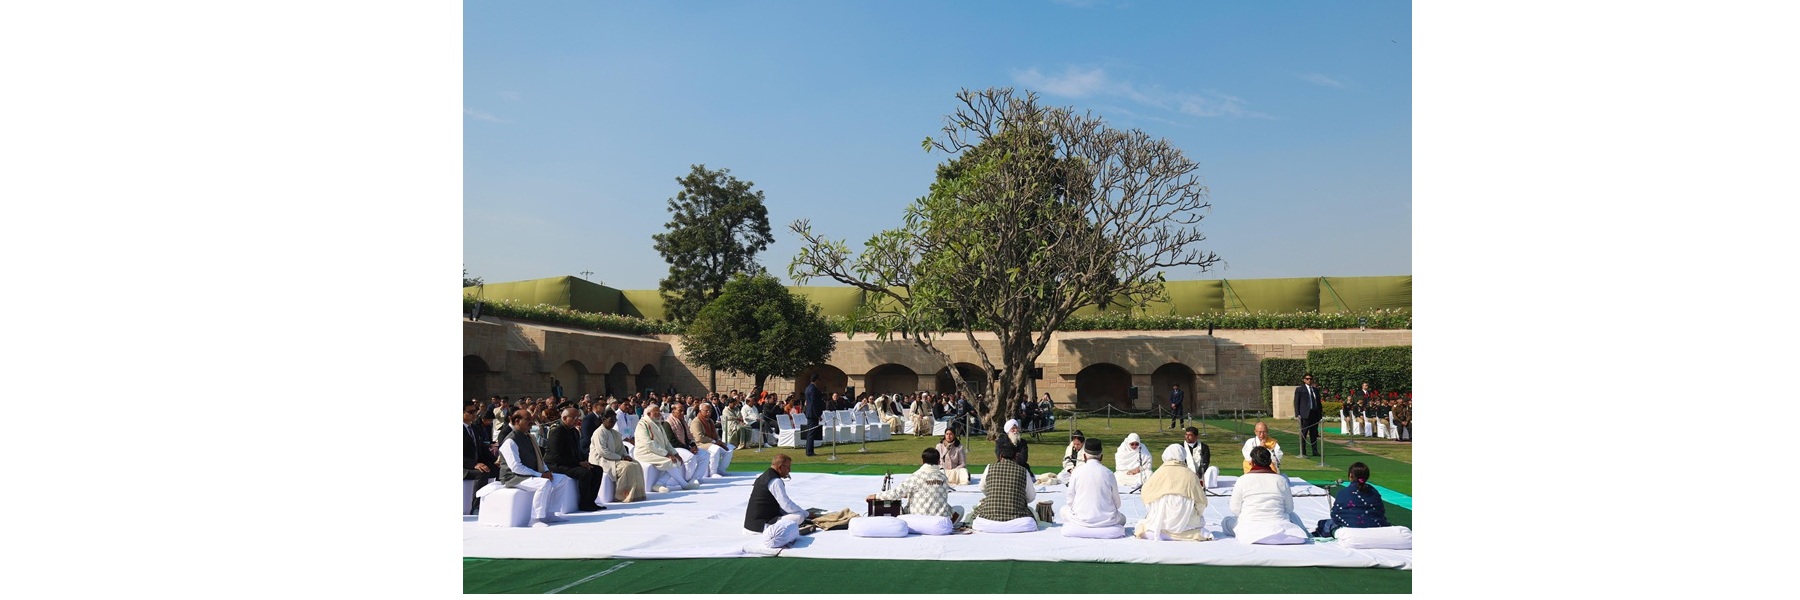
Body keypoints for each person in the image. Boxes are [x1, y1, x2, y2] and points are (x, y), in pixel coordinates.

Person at [496, 410, 575, 527]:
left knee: (562, 479)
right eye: (528, 419)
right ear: (517, 421)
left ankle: (551, 514)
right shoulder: (510, 441)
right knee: (543, 484)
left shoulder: (528, 437)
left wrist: (546, 471)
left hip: (530, 474)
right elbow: (516, 467)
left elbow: (539, 459)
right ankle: (535, 519)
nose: (532, 422)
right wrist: (540, 475)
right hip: (513, 477)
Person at [1222, 446, 1308, 544]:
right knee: (1292, 517)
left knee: (1226, 522)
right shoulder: (1280, 480)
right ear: (1269, 462)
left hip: (1250, 528)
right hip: (1279, 525)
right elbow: (1289, 508)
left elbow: (1235, 509)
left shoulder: (1242, 480)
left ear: (1252, 463)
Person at [1137, 444, 1213, 541]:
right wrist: (1197, 514)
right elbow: (1201, 503)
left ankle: (1163, 533)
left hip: (1161, 521)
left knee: (1144, 526)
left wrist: (1154, 511)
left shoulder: (1159, 473)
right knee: (1200, 523)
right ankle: (1181, 534)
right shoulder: (1190, 475)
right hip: (1186, 524)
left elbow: (1145, 496)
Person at [867, 447, 961, 521]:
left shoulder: (915, 477)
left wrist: (876, 496)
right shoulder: (943, 478)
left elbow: (895, 493)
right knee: (959, 509)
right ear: (938, 461)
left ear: (922, 461)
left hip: (917, 521)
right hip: (940, 521)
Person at [1062, 437, 1127, 538]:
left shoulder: (1076, 472)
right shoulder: (1109, 473)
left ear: (1084, 456)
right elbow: (1117, 504)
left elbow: (1069, 501)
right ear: (1101, 456)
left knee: (1063, 510)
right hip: (1106, 521)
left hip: (1080, 520)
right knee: (1123, 519)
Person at [546, 408, 607, 512]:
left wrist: (584, 461)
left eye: (578, 418)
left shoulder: (574, 431)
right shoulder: (557, 431)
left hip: (571, 462)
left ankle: (591, 501)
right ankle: (584, 503)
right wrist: (579, 463)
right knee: (584, 473)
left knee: (597, 470)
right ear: (565, 418)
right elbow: (557, 456)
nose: (577, 420)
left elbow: (578, 450)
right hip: (557, 464)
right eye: (574, 418)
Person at [744, 454, 809, 549]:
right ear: (780, 467)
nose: (789, 471)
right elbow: (786, 505)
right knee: (799, 516)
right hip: (761, 525)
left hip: (752, 523)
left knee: (796, 513)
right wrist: (806, 514)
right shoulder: (775, 481)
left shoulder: (765, 476)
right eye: (788, 468)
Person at [970, 442, 1037, 533]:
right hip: (1019, 523)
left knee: (977, 511)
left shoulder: (989, 467)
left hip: (987, 523)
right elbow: (1031, 497)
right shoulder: (1023, 471)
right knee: (1032, 517)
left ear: (1000, 456)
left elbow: (982, 487)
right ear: (1015, 456)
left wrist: (993, 495)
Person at [1314, 462, 1391, 538]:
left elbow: (1335, 514)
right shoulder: (1374, 491)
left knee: (1325, 524)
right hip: (1375, 525)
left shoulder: (1344, 492)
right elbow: (1380, 511)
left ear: (1350, 475)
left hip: (1351, 528)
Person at [633, 404, 697, 492]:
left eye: (659, 412)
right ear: (648, 414)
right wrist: (666, 454)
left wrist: (675, 453)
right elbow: (648, 443)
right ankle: (684, 484)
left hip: (656, 452)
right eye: (656, 413)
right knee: (670, 461)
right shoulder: (642, 425)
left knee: (677, 460)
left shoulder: (658, 424)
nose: (659, 415)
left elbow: (666, 442)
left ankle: (659, 484)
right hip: (645, 453)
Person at [588, 409, 646, 503]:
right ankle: (622, 496)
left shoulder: (615, 433)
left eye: (615, 421)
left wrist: (626, 456)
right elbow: (603, 452)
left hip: (615, 458)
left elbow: (622, 448)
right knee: (626, 467)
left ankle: (637, 495)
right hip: (602, 460)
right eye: (611, 421)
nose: (613, 423)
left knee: (636, 464)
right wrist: (621, 458)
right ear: (603, 420)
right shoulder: (599, 433)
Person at [463, 402, 496, 510]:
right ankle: (476, 507)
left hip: (475, 463)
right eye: (471, 412)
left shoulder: (475, 429)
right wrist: (475, 464)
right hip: (464, 466)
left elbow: (482, 449)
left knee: (498, 470)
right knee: (481, 473)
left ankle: (495, 503)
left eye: (475, 410)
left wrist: (496, 461)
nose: (475, 414)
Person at [691, 403, 733, 477]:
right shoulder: (696, 421)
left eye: (710, 411)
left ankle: (721, 470)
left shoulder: (710, 421)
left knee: (730, 448)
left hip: (712, 442)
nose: (708, 412)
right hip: (701, 444)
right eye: (706, 411)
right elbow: (699, 437)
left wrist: (719, 441)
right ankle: (713, 472)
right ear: (700, 411)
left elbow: (715, 434)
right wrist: (714, 442)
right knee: (715, 449)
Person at [1294, 373, 1323, 457]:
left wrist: (1320, 415)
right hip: (1305, 414)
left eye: (1310, 379)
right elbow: (1296, 402)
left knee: (1314, 433)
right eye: (1307, 379)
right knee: (1304, 433)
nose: (1309, 380)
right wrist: (1297, 414)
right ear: (1304, 380)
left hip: (1314, 414)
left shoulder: (1315, 390)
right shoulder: (1300, 389)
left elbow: (1319, 403)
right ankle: (1303, 451)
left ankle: (1315, 451)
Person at [803, 375, 825, 456]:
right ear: (816, 380)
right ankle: (809, 451)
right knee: (811, 433)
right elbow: (813, 403)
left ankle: (810, 450)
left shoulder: (808, 388)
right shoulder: (812, 389)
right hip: (812, 414)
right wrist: (818, 414)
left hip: (810, 413)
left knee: (811, 432)